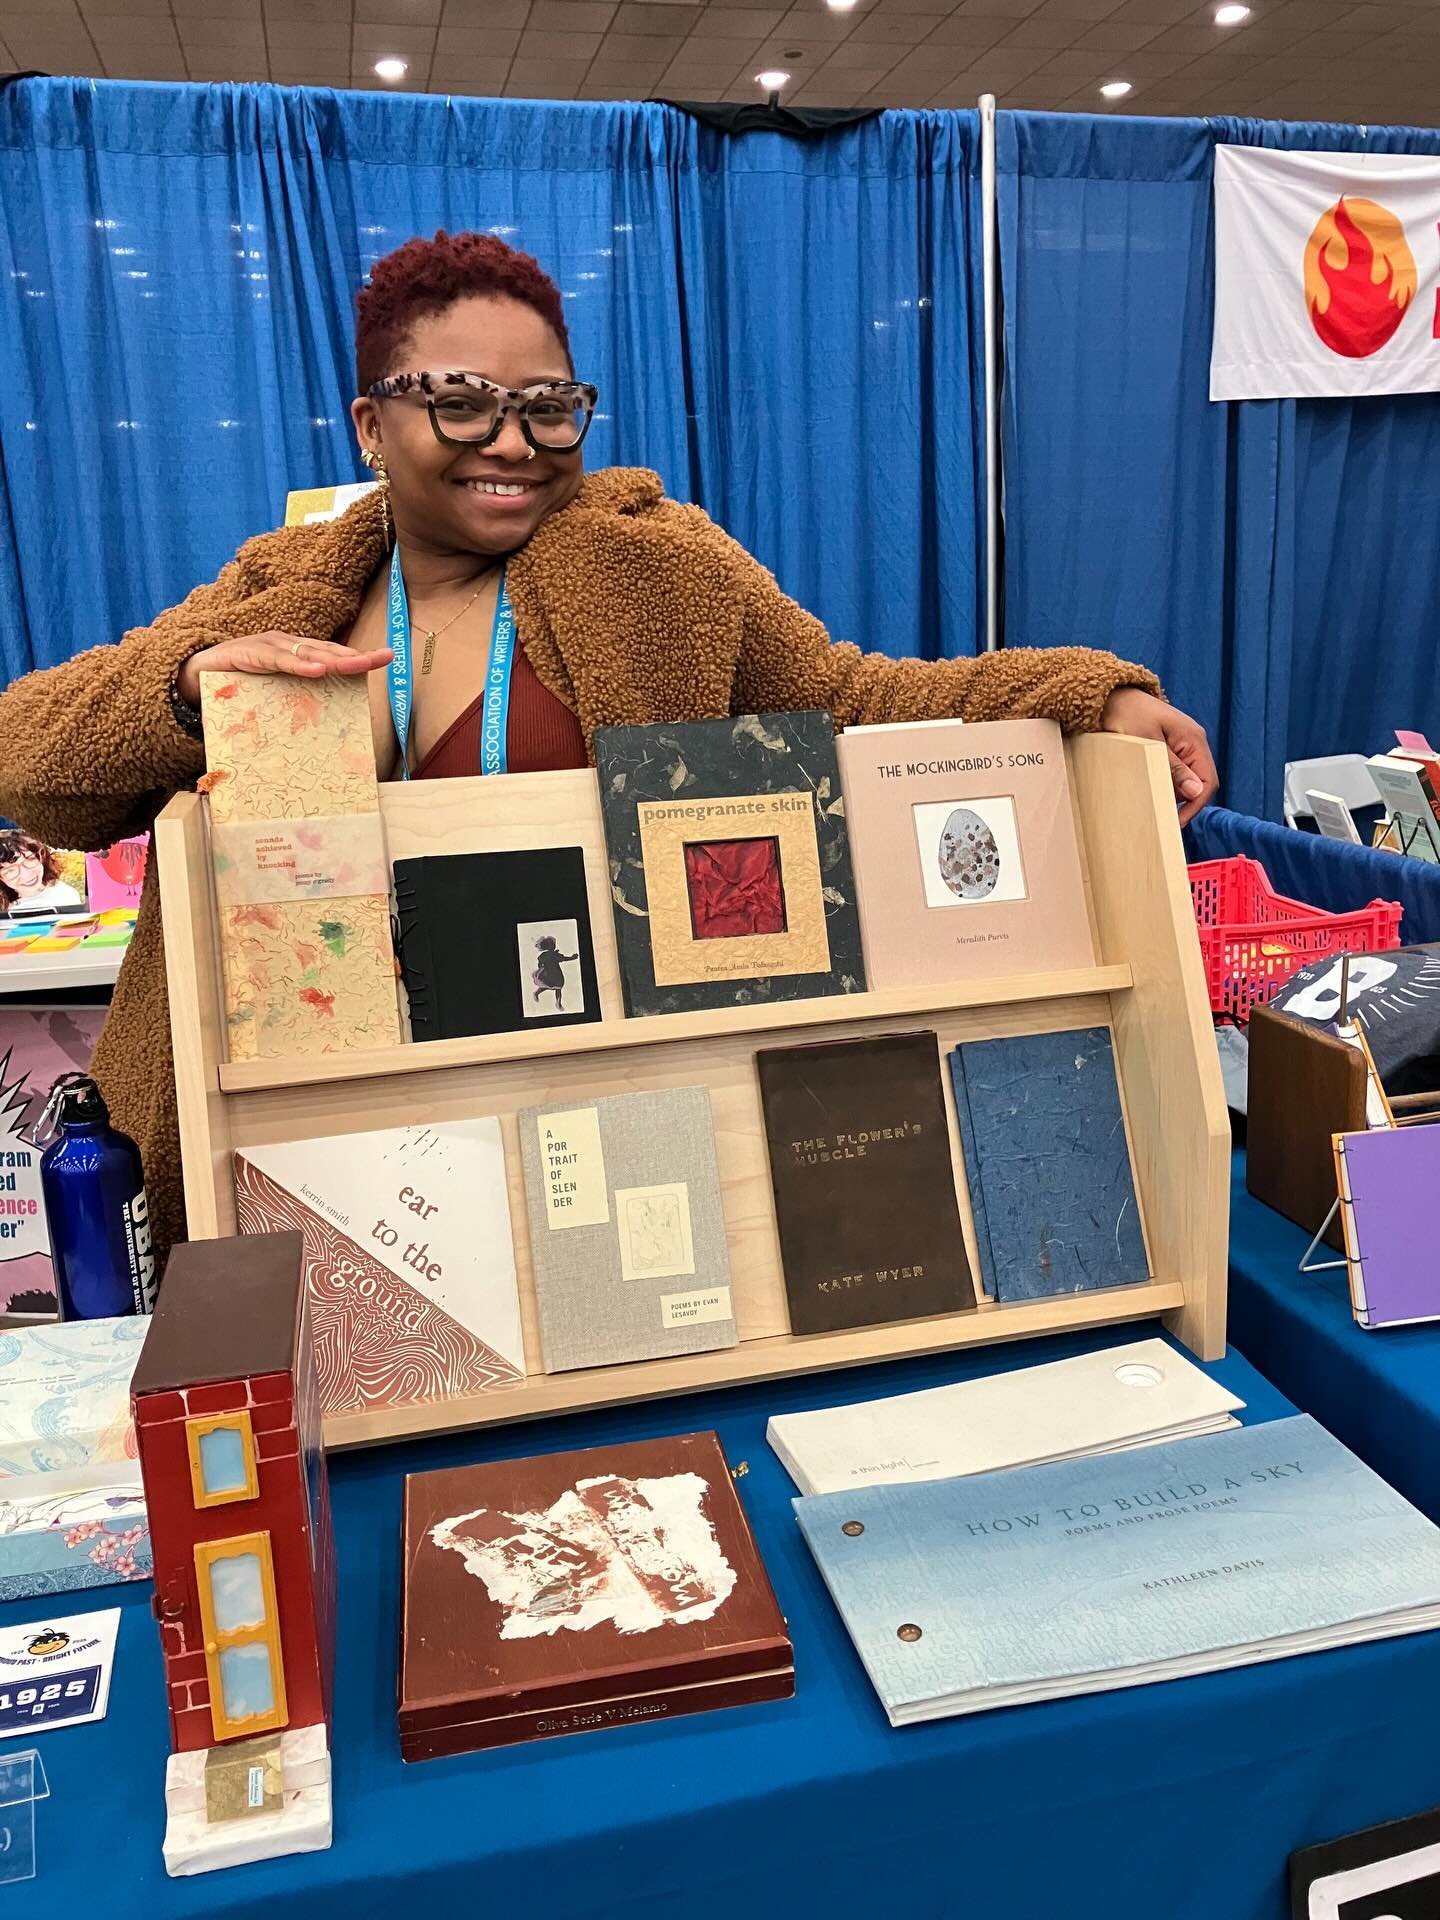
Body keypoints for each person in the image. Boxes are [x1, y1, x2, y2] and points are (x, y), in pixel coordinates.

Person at [0, 230, 1218, 1264]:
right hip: (306, 1113)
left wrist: (1088, 696)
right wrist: (181, 692)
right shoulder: (283, 587)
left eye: (548, 407)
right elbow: (33, 765)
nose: (514, 443)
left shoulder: (660, 568)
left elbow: (854, 698)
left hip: (578, 1098)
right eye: (462, 402)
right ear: (373, 423)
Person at [0, 831, 85, 916]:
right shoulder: (5, 910)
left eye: (30, 860)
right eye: (10, 870)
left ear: (42, 857)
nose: (26, 874)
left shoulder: (65, 894)